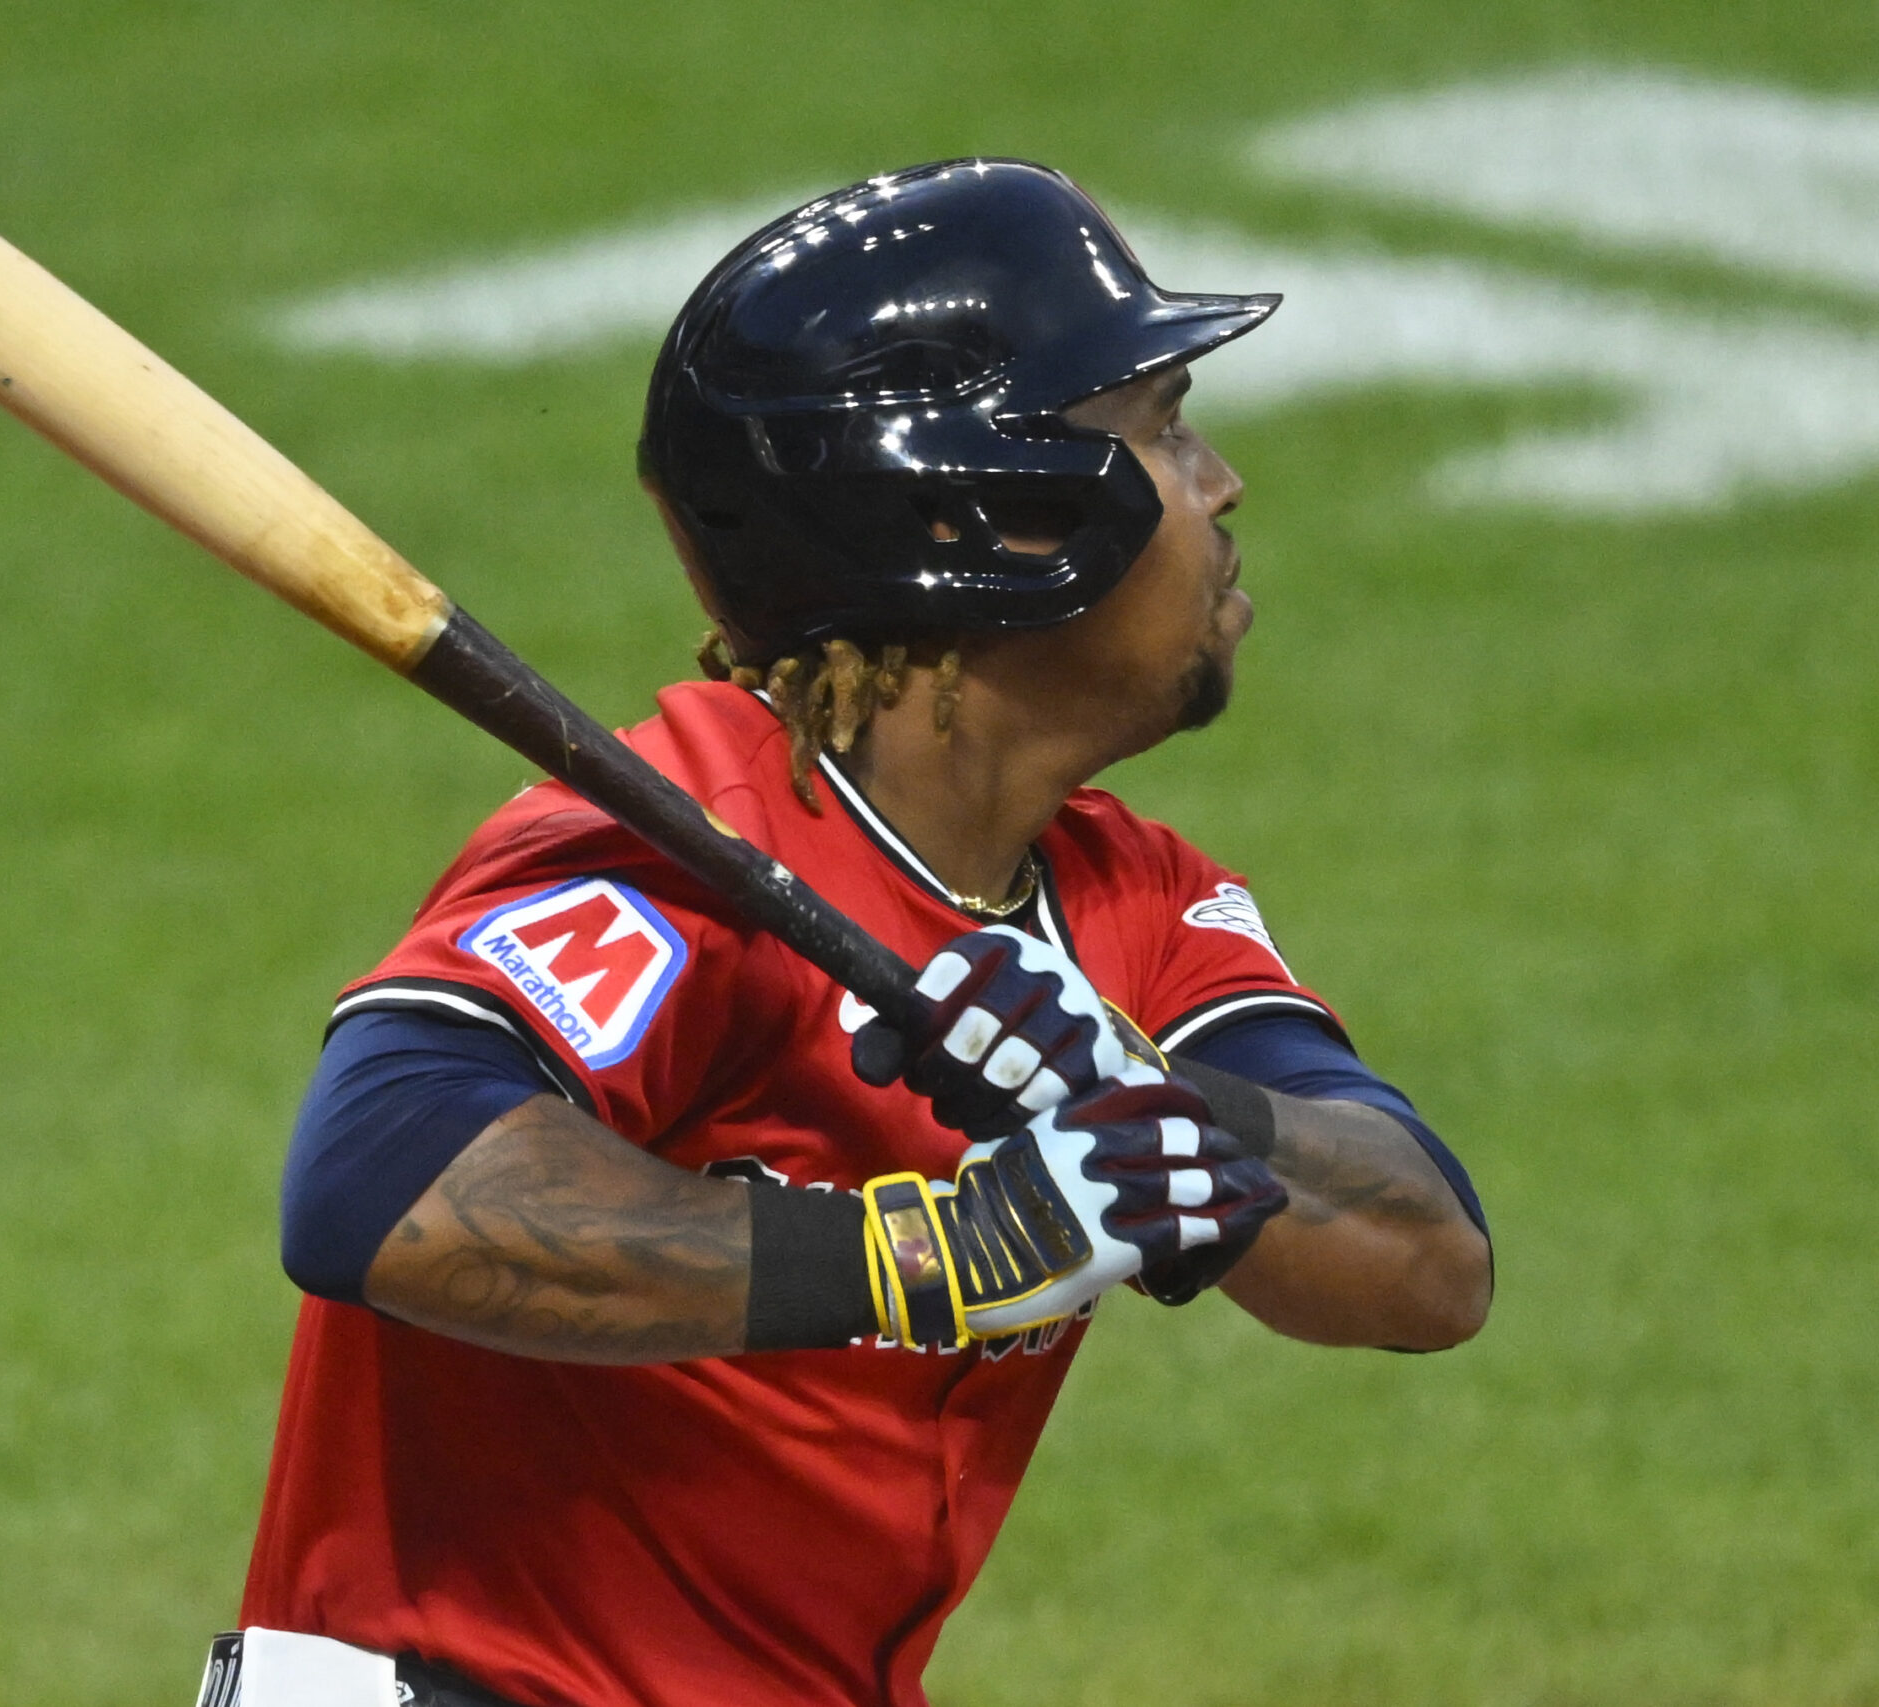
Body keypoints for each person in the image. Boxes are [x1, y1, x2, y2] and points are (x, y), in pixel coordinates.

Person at [201, 159, 1493, 1707]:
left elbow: (1430, 1266)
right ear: (994, 519)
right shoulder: (678, 850)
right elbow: (381, 1191)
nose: (1220, 485)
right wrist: (932, 1252)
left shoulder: (1129, 902)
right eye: (1156, 429)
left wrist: (1149, 1093)